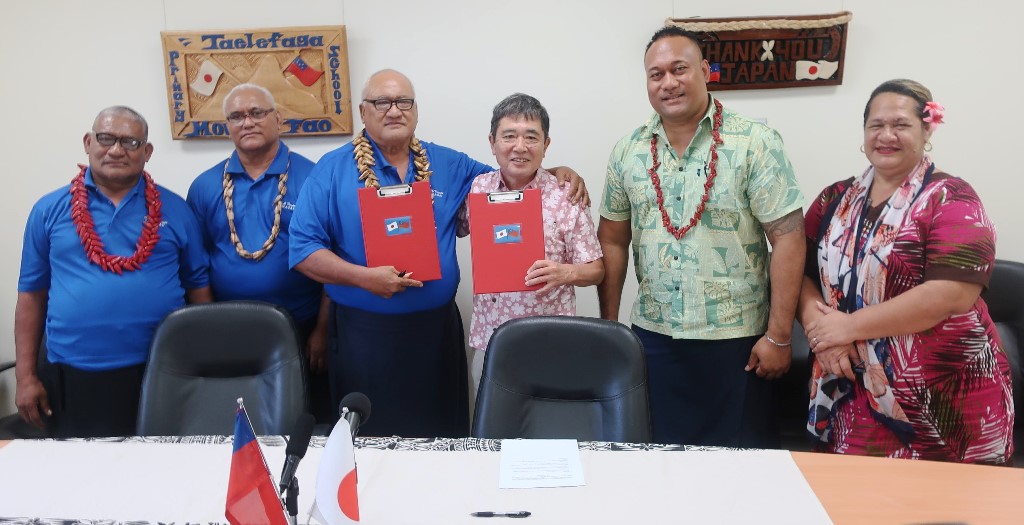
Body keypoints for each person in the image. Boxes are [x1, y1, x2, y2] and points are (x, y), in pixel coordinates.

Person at [289, 69, 586, 438]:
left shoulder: (450, 164)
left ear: (415, 111)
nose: (394, 110)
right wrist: (364, 278)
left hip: (435, 335)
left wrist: (557, 171)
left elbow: (511, 178)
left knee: (441, 439)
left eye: (404, 102)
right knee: (368, 440)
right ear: (363, 112)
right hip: (363, 337)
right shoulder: (331, 170)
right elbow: (302, 250)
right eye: (382, 102)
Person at [597, 26, 806, 447]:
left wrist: (779, 336)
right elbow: (613, 241)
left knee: (742, 471)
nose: (668, 82)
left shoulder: (755, 143)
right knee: (660, 465)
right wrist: (609, 331)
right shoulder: (627, 151)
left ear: (706, 71)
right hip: (654, 339)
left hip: (739, 344)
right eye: (656, 75)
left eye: (680, 69)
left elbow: (789, 238)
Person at [798, 79, 1013, 464]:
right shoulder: (834, 198)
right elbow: (798, 269)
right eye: (876, 125)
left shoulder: (953, 198)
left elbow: (953, 293)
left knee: (951, 510)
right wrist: (821, 331)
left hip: (943, 395)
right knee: (858, 506)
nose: (886, 135)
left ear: (927, 130)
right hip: (852, 384)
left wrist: (848, 327)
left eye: (900, 124)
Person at [15, 106, 212, 438]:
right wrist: (25, 376)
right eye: (106, 138)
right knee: (86, 476)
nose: (117, 150)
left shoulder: (176, 209)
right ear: (88, 142)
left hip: (163, 370)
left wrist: (206, 367)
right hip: (73, 372)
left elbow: (199, 290)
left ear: (147, 152)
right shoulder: (48, 210)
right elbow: (31, 296)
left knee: (162, 471)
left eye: (131, 142)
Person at [187, 83, 333, 424]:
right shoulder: (205, 186)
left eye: (256, 112)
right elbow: (197, 268)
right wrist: (210, 330)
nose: (247, 122)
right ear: (227, 127)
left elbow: (334, 259)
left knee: (302, 421)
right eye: (236, 116)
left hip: (304, 327)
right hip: (230, 328)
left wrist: (323, 331)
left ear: (278, 119)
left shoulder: (314, 178)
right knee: (242, 422)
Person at [457, 93, 604, 395]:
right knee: (490, 433)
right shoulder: (477, 188)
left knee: (551, 431)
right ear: (492, 142)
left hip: (551, 342)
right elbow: (454, 229)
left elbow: (596, 270)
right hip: (490, 341)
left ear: (546, 145)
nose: (520, 147)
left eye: (531, 137)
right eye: (509, 136)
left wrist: (565, 273)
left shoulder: (567, 195)